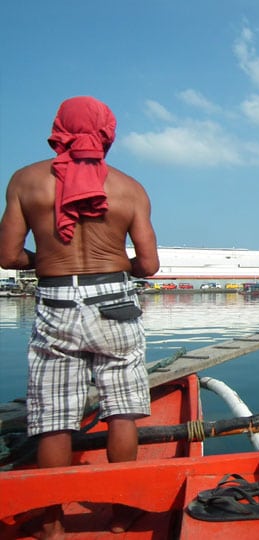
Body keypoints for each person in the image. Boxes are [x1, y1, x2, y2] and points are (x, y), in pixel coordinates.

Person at [0, 96, 160, 538]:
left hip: (56, 303)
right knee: (122, 414)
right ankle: (121, 513)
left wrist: (50, 259)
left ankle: (52, 524)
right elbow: (148, 266)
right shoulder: (130, 188)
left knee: (53, 419)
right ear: (108, 132)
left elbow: (8, 256)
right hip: (115, 305)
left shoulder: (25, 182)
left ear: (58, 130)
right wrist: (109, 265)